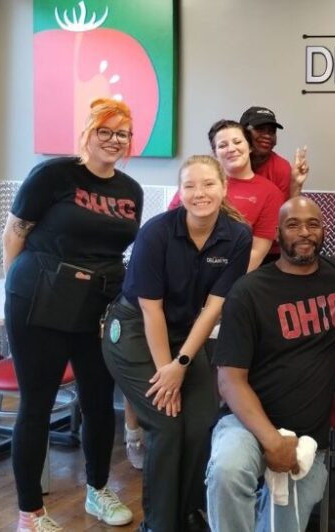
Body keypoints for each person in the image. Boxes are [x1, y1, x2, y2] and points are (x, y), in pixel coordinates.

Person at [2, 97, 141, 532]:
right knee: (37, 404)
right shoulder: (54, 174)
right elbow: (14, 233)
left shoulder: (131, 190)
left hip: (99, 305)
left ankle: (98, 490)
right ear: (88, 132)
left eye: (122, 134)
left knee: (98, 402)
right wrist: (15, 291)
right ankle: (30, 514)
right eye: (105, 131)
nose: (113, 140)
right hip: (39, 299)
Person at [102, 155, 252, 532]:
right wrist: (166, 372)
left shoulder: (237, 236)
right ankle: (158, 524)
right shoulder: (156, 232)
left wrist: (180, 364)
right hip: (135, 330)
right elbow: (151, 310)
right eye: (190, 186)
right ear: (180, 192)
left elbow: (213, 308)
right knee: (167, 424)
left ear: (224, 188)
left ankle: (186, 512)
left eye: (208, 184)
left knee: (201, 422)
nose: (200, 193)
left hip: (184, 336)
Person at [206, 197, 335, 532]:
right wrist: (272, 440)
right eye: (293, 225)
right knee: (228, 471)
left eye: (313, 224)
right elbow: (229, 381)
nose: (304, 232)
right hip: (246, 424)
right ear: (277, 234)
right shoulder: (249, 292)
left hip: (308, 436)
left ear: (324, 230)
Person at [169, 120, 285, 271]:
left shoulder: (270, 193)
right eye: (222, 145)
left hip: (231, 277)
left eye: (237, 142)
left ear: (250, 147)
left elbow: (256, 253)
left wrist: (223, 283)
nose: (231, 149)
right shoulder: (195, 182)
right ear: (215, 153)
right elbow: (170, 229)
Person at [240, 106, 309, 199]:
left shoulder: (281, 168)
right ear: (243, 132)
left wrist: (296, 185)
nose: (267, 136)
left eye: (272, 131)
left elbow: (285, 207)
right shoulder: (230, 163)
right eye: (260, 129)